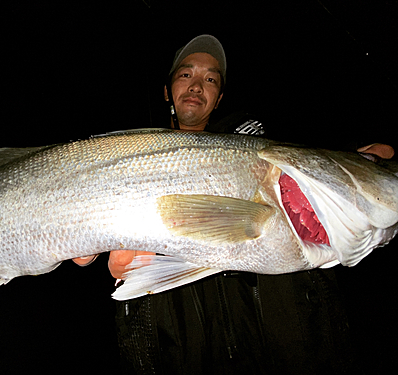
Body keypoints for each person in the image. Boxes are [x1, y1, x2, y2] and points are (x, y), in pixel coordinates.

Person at [73, 35, 394, 374]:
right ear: (167, 91)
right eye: (186, 75)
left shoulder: (257, 137)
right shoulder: (128, 156)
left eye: (210, 79)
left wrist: (363, 169)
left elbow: (360, 157)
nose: (197, 85)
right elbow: (99, 258)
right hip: (181, 348)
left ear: (219, 98)